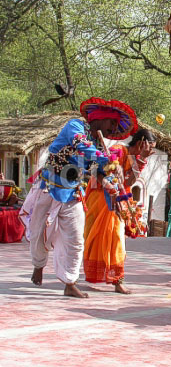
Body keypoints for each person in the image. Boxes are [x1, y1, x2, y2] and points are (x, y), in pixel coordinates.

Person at [20, 97, 137, 298]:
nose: (113, 128)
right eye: (111, 123)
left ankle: (70, 282)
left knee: (76, 240)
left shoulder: (100, 146)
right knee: (38, 233)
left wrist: (110, 182)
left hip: (74, 194)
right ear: (100, 119)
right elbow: (80, 144)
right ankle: (38, 265)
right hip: (48, 188)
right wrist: (107, 159)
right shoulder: (75, 126)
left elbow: (98, 172)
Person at [83, 129, 155, 294]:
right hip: (100, 200)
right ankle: (110, 278)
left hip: (118, 202)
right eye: (150, 147)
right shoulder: (117, 150)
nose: (150, 151)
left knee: (116, 238)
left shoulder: (135, 158)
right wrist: (109, 184)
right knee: (98, 238)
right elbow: (95, 170)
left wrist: (142, 159)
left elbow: (129, 182)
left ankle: (117, 279)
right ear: (140, 142)